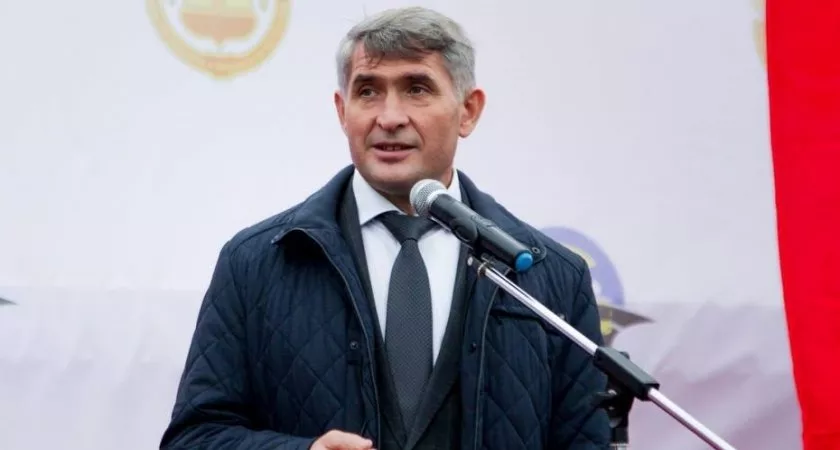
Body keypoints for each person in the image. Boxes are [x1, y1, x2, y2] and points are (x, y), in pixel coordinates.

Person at [160, 6, 611, 450]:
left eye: (416, 89)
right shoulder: (256, 264)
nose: (390, 117)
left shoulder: (551, 277)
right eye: (368, 91)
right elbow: (194, 438)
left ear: (468, 111)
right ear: (343, 111)